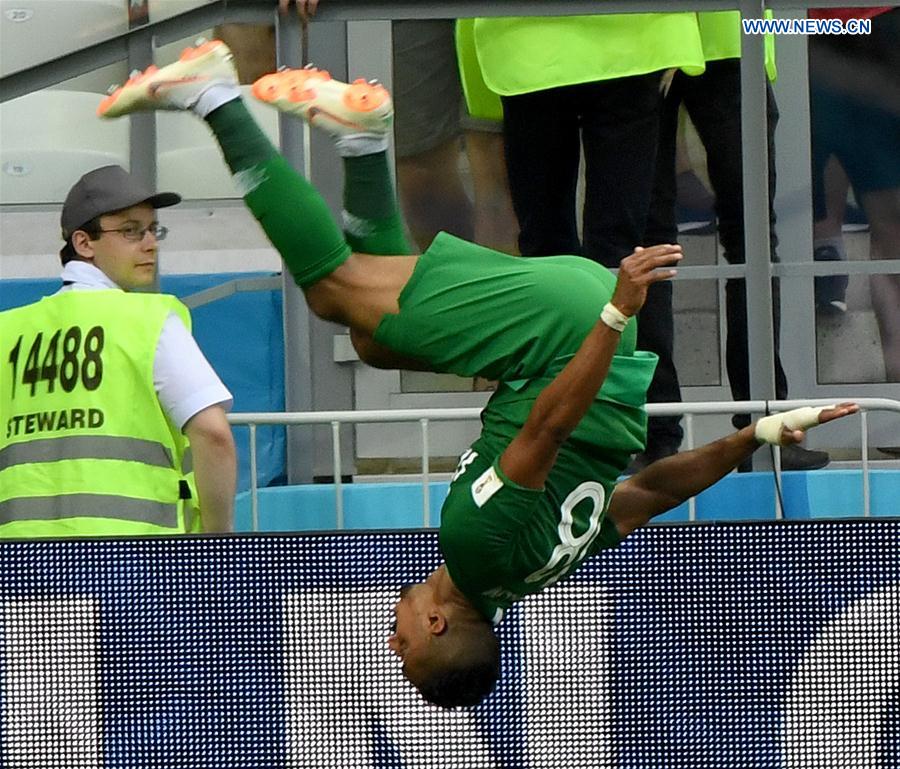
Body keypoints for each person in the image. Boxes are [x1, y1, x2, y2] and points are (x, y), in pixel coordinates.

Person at [95, 40, 859, 708]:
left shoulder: (529, 575)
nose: (391, 643)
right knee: (333, 289)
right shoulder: (478, 546)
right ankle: (214, 95)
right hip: (565, 334)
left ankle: (363, 143)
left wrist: (752, 434)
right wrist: (614, 314)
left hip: (570, 347)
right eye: (405, 654)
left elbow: (651, 491)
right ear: (435, 624)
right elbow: (547, 427)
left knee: (373, 341)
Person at [637, 10, 831, 472]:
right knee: (651, 250)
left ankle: (762, 427)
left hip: (729, 36)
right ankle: (657, 435)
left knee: (751, 245)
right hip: (652, 40)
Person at [0, 165, 237, 537]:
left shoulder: (8, 332)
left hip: (21, 567)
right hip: (132, 566)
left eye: (152, 229)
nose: (150, 243)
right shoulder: (150, 320)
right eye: (130, 231)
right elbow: (213, 433)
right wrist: (216, 538)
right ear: (83, 243)